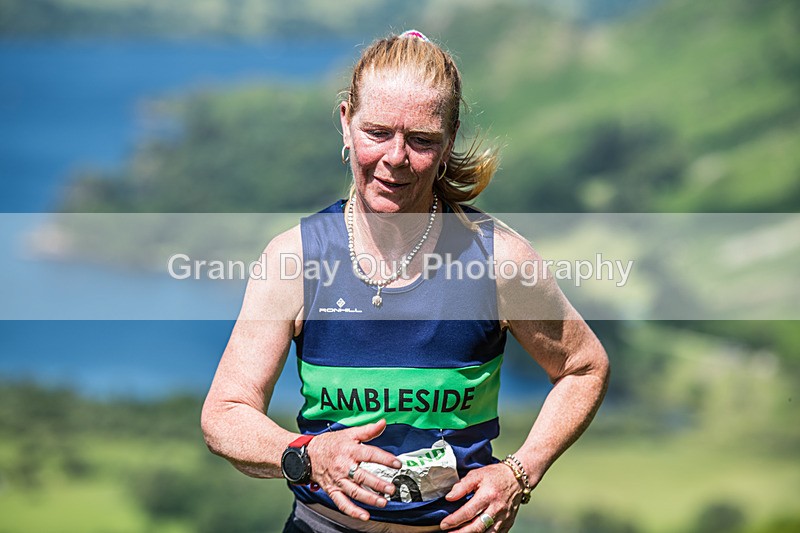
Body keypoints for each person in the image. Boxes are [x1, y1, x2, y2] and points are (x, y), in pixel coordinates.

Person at [201, 30, 609, 532]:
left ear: (449, 139)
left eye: (421, 140)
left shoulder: (498, 260)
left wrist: (520, 472)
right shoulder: (296, 258)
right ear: (346, 122)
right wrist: (307, 454)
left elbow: (584, 367)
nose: (396, 158)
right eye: (377, 133)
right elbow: (225, 414)